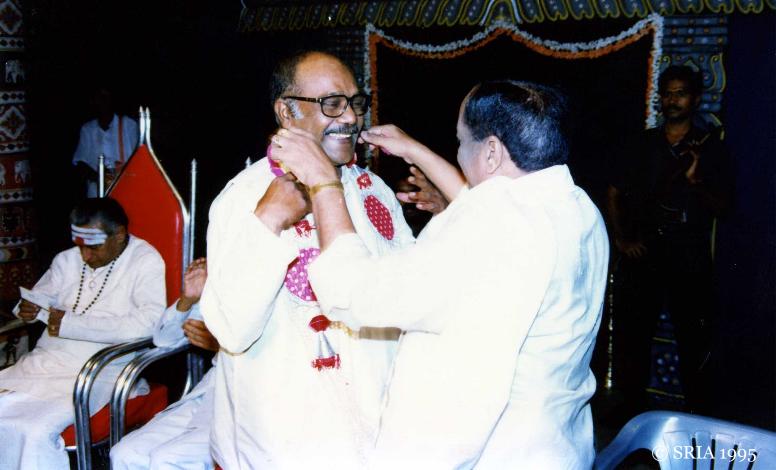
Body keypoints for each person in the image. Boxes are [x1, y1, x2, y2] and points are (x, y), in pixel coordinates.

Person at [272, 79, 609, 469]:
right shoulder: (575, 206)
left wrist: (324, 184)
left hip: (495, 455)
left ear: (493, 151)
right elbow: (489, 210)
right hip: (557, 446)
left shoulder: (494, 226)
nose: (459, 152)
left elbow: (355, 293)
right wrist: (414, 150)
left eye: (461, 142)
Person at [199, 51, 415, 469]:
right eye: (332, 103)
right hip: (287, 443)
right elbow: (230, 330)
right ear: (287, 112)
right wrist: (269, 220)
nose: (350, 117)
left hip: (377, 432)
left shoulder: (372, 189)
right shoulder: (245, 198)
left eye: (356, 103)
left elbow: (403, 296)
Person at [0, 197, 165, 470]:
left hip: (97, 371)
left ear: (119, 235)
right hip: (43, 364)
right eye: (80, 246)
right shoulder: (66, 259)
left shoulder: (145, 261)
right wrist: (27, 308)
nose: (85, 256)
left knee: (34, 430)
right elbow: (40, 296)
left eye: (94, 247)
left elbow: (148, 324)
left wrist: (72, 324)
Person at [606, 65, 732, 414]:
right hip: (644, 252)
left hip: (687, 253)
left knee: (694, 341)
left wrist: (696, 182)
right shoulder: (643, 143)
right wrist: (622, 239)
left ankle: (697, 420)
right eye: (668, 93)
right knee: (632, 338)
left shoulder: (712, 148)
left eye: (681, 93)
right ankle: (629, 417)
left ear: (696, 99)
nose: (672, 100)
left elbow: (724, 207)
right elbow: (614, 191)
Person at [111, 257, 219, 470]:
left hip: (254, 403)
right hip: (211, 393)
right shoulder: (228, 278)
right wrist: (187, 301)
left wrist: (222, 344)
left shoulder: (282, 281)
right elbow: (164, 340)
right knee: (124, 453)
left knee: (168, 459)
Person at [72, 87, 140, 197]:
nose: (102, 102)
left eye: (105, 97)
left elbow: (138, 159)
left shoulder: (128, 125)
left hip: (125, 190)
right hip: (96, 192)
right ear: (93, 102)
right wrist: (102, 178)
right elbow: (80, 162)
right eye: (99, 98)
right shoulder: (88, 129)